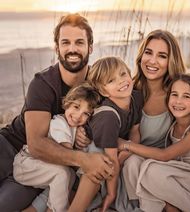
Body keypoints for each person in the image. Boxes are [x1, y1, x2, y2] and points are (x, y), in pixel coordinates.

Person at [0, 13, 114, 211]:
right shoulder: (43, 83)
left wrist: (84, 128)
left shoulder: (98, 84)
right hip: (10, 146)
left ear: (90, 47)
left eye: (79, 42)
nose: (72, 49)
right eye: (65, 42)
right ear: (57, 48)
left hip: (42, 165)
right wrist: (83, 160)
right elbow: (36, 143)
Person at [120, 29, 190, 209]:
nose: (152, 61)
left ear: (170, 61)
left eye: (162, 56)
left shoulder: (178, 94)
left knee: (150, 170)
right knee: (133, 164)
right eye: (148, 52)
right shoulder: (129, 91)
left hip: (168, 166)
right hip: (136, 163)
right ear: (141, 56)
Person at [68, 56, 144, 212]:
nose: (121, 81)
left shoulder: (135, 97)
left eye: (123, 74)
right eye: (111, 81)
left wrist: (125, 153)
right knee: (99, 169)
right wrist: (111, 193)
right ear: (103, 91)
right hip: (90, 148)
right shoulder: (107, 117)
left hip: (110, 144)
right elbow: (111, 160)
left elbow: (136, 132)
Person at [13, 83, 101, 212]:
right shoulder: (59, 123)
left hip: (42, 166)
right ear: (67, 103)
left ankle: (49, 208)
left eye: (86, 114)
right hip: (26, 164)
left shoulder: (75, 128)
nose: (78, 116)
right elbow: (67, 153)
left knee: (67, 176)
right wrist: (89, 166)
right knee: (62, 174)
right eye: (76, 107)